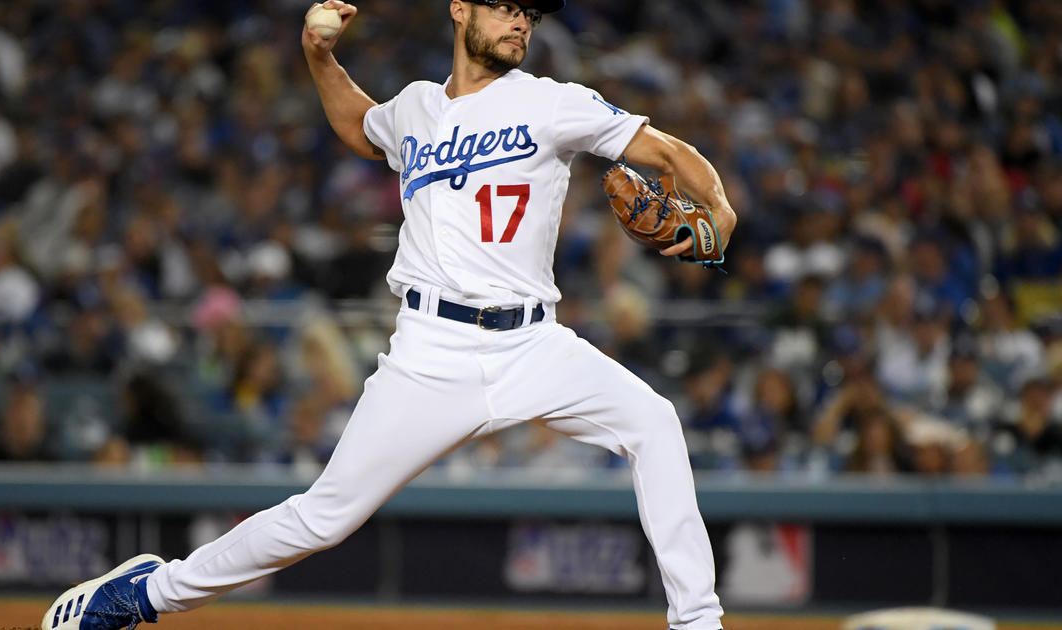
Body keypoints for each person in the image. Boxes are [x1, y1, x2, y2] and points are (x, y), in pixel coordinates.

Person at [42, 2, 736, 629]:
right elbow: (357, 123)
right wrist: (320, 57)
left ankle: (697, 622)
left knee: (653, 422)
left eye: (530, 12)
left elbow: (668, 153)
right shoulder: (413, 110)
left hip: (533, 342)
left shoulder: (554, 103)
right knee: (324, 516)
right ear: (460, 11)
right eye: (504, 8)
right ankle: (145, 594)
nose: (521, 21)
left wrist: (721, 216)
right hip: (430, 352)